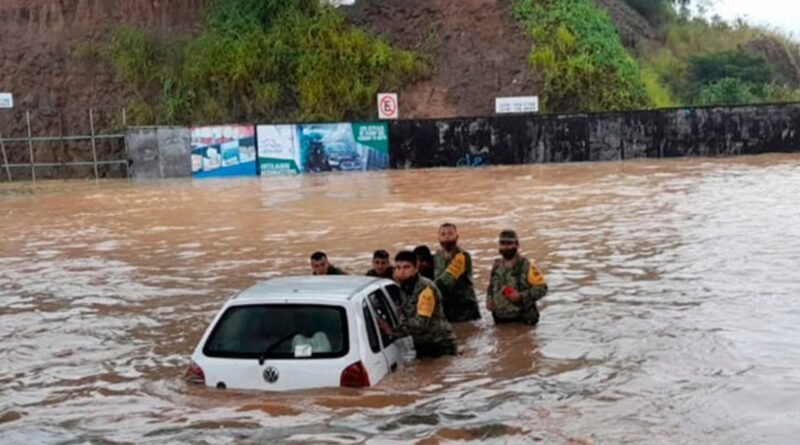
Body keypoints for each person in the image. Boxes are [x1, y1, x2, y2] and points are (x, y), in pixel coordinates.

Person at [392, 250, 457, 358]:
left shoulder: (426, 289)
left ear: (416, 268)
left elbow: (421, 323)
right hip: (422, 344)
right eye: (398, 268)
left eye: (406, 267)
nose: (401, 272)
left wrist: (393, 331)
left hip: (440, 344)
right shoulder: (403, 287)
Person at [486, 230, 548, 325]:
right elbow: (491, 286)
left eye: (510, 243)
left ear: (517, 245)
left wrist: (520, 297)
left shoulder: (527, 265)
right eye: (502, 243)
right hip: (500, 319)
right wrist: (489, 299)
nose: (506, 247)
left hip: (522, 320)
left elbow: (542, 288)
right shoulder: (496, 265)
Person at [433, 223, 481, 322]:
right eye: (443, 234)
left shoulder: (462, 256)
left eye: (450, 234)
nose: (446, 237)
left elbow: (447, 280)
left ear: (457, 237)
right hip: (446, 307)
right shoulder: (437, 256)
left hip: (464, 308)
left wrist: (427, 290)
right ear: (438, 238)